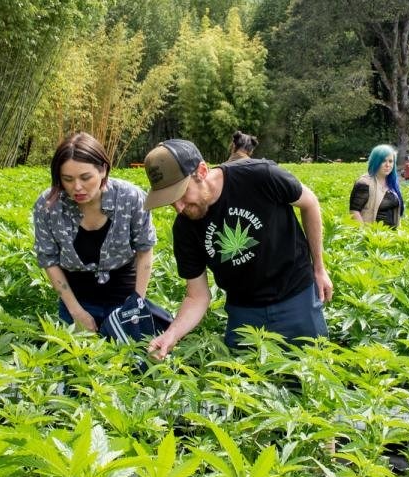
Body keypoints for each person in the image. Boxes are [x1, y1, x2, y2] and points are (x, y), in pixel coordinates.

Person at [142, 139, 332, 358]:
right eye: (170, 201)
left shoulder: (259, 175)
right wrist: (171, 334)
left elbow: (309, 203)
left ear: (201, 171)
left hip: (296, 296)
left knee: (311, 368)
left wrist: (319, 268)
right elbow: (197, 296)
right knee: (245, 377)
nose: (179, 207)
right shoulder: (185, 228)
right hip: (243, 311)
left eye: (181, 194)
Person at [32, 132, 157, 332]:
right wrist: (76, 312)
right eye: (67, 179)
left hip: (125, 298)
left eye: (85, 177)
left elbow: (145, 250)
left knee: (130, 352)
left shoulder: (130, 197)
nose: (77, 187)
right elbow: (49, 260)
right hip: (75, 300)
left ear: (103, 170)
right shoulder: (49, 205)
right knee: (75, 352)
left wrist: (137, 304)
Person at [349, 144, 404, 228]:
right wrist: (364, 233)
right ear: (376, 162)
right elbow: (354, 211)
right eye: (383, 161)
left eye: (390, 161)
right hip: (372, 233)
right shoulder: (364, 183)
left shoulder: (392, 183)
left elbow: (397, 212)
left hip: (391, 234)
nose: (387, 165)